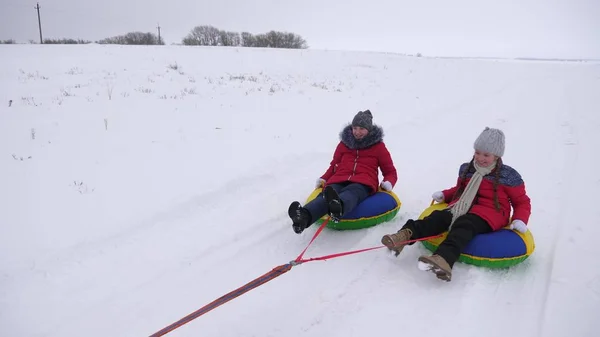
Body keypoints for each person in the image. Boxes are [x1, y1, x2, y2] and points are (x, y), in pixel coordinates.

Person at [380, 127, 531, 282]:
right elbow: (460, 190)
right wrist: (445, 195)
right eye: (477, 152)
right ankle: (403, 236)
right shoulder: (468, 169)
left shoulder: (508, 177)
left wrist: (520, 219)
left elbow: (522, 201)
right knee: (438, 217)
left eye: (486, 154)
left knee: (464, 224)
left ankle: (443, 259)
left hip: (490, 213)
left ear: (497, 155)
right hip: (462, 206)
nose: (480, 158)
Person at [288, 109, 398, 234]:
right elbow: (334, 165)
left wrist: (388, 182)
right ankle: (303, 218)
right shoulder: (344, 144)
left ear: (369, 130)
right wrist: (324, 178)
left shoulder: (379, 147)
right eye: (355, 128)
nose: (357, 132)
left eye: (362, 128)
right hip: (339, 178)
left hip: (363, 182)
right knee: (326, 195)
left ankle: (338, 208)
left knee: (352, 193)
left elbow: (390, 171)